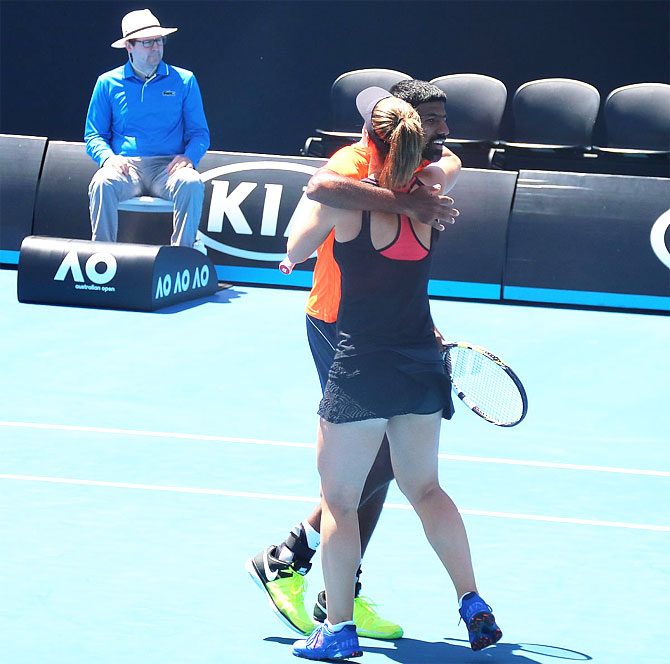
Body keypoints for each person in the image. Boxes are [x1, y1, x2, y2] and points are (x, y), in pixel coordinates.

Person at [288, 89, 502, 661]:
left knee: (339, 500)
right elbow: (439, 166)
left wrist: (303, 242)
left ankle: (336, 630)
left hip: (362, 364)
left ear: (372, 141)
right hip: (420, 364)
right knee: (425, 489)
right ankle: (472, 601)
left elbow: (298, 240)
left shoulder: (348, 202)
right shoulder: (431, 194)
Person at [246, 81, 461, 640]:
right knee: (372, 467)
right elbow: (317, 194)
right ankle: (297, 564)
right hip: (340, 323)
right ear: (403, 125)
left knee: (383, 468)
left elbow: (452, 163)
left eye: (443, 117)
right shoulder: (351, 159)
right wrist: (403, 201)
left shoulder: (429, 164)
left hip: (394, 330)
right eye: (431, 120)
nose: (442, 129)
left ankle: (325, 579)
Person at [84, 9, 210, 247]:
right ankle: (101, 258)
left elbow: (200, 134)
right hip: (125, 168)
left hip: (168, 168)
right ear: (129, 47)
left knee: (192, 183)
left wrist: (189, 157)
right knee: (102, 182)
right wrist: (108, 158)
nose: (156, 47)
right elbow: (94, 135)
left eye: (159, 40)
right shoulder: (107, 82)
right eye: (147, 42)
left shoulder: (184, 80)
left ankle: (181, 258)